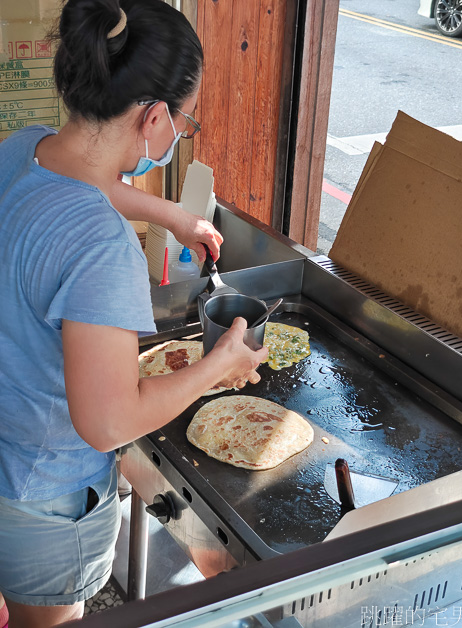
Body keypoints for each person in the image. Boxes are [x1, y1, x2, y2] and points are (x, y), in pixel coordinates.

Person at [0, 1, 268, 626]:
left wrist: (172, 215)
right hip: (45, 498)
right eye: (182, 120)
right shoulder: (101, 247)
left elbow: (83, 180)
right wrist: (219, 363)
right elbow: (109, 421)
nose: (178, 132)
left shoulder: (20, 150)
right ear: (153, 117)